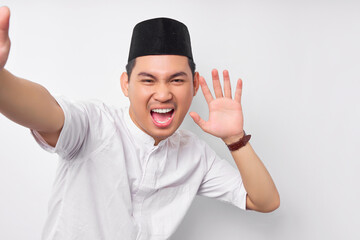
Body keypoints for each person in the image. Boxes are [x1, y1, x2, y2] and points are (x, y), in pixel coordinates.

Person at [0, 6, 279, 240]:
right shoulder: (94, 125)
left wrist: (235, 139)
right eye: (148, 80)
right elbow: (45, 112)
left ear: (194, 85)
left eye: (176, 80)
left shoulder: (195, 155)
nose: (163, 93)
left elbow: (264, 201)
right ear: (126, 84)